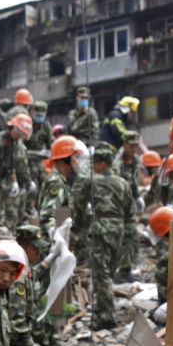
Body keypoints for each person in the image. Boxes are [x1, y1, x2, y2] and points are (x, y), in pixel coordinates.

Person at [78, 143, 135, 331]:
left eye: (95, 163)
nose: (93, 167)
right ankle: (104, 305)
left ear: (102, 163)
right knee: (108, 272)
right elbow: (130, 212)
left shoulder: (92, 181)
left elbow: (79, 205)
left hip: (100, 228)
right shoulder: (123, 183)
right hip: (118, 230)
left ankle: (107, 316)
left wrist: (79, 225)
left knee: (100, 273)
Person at [9, 225, 56, 346]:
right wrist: (29, 345)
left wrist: (50, 260)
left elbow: (35, 273)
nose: (39, 252)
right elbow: (15, 320)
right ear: (23, 246)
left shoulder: (24, 269)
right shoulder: (18, 276)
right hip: (13, 342)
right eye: (35, 248)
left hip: (19, 339)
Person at [0, 114, 34, 229]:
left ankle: (1, 229)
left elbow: (11, 165)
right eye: (19, 132)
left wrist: (14, 182)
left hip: (1, 177)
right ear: (12, 128)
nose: (20, 136)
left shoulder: (15, 143)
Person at [37, 134, 87, 235]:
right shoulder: (56, 182)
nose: (77, 162)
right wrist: (55, 235)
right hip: (54, 242)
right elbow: (47, 216)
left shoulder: (61, 180)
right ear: (66, 158)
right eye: (75, 157)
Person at [113, 131, 145, 281]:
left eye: (136, 146)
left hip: (129, 204)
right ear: (125, 144)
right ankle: (117, 270)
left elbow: (133, 181)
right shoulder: (118, 163)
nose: (134, 149)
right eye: (131, 146)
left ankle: (125, 269)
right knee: (120, 237)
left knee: (131, 236)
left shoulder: (135, 160)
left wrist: (138, 196)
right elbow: (116, 186)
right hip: (118, 204)